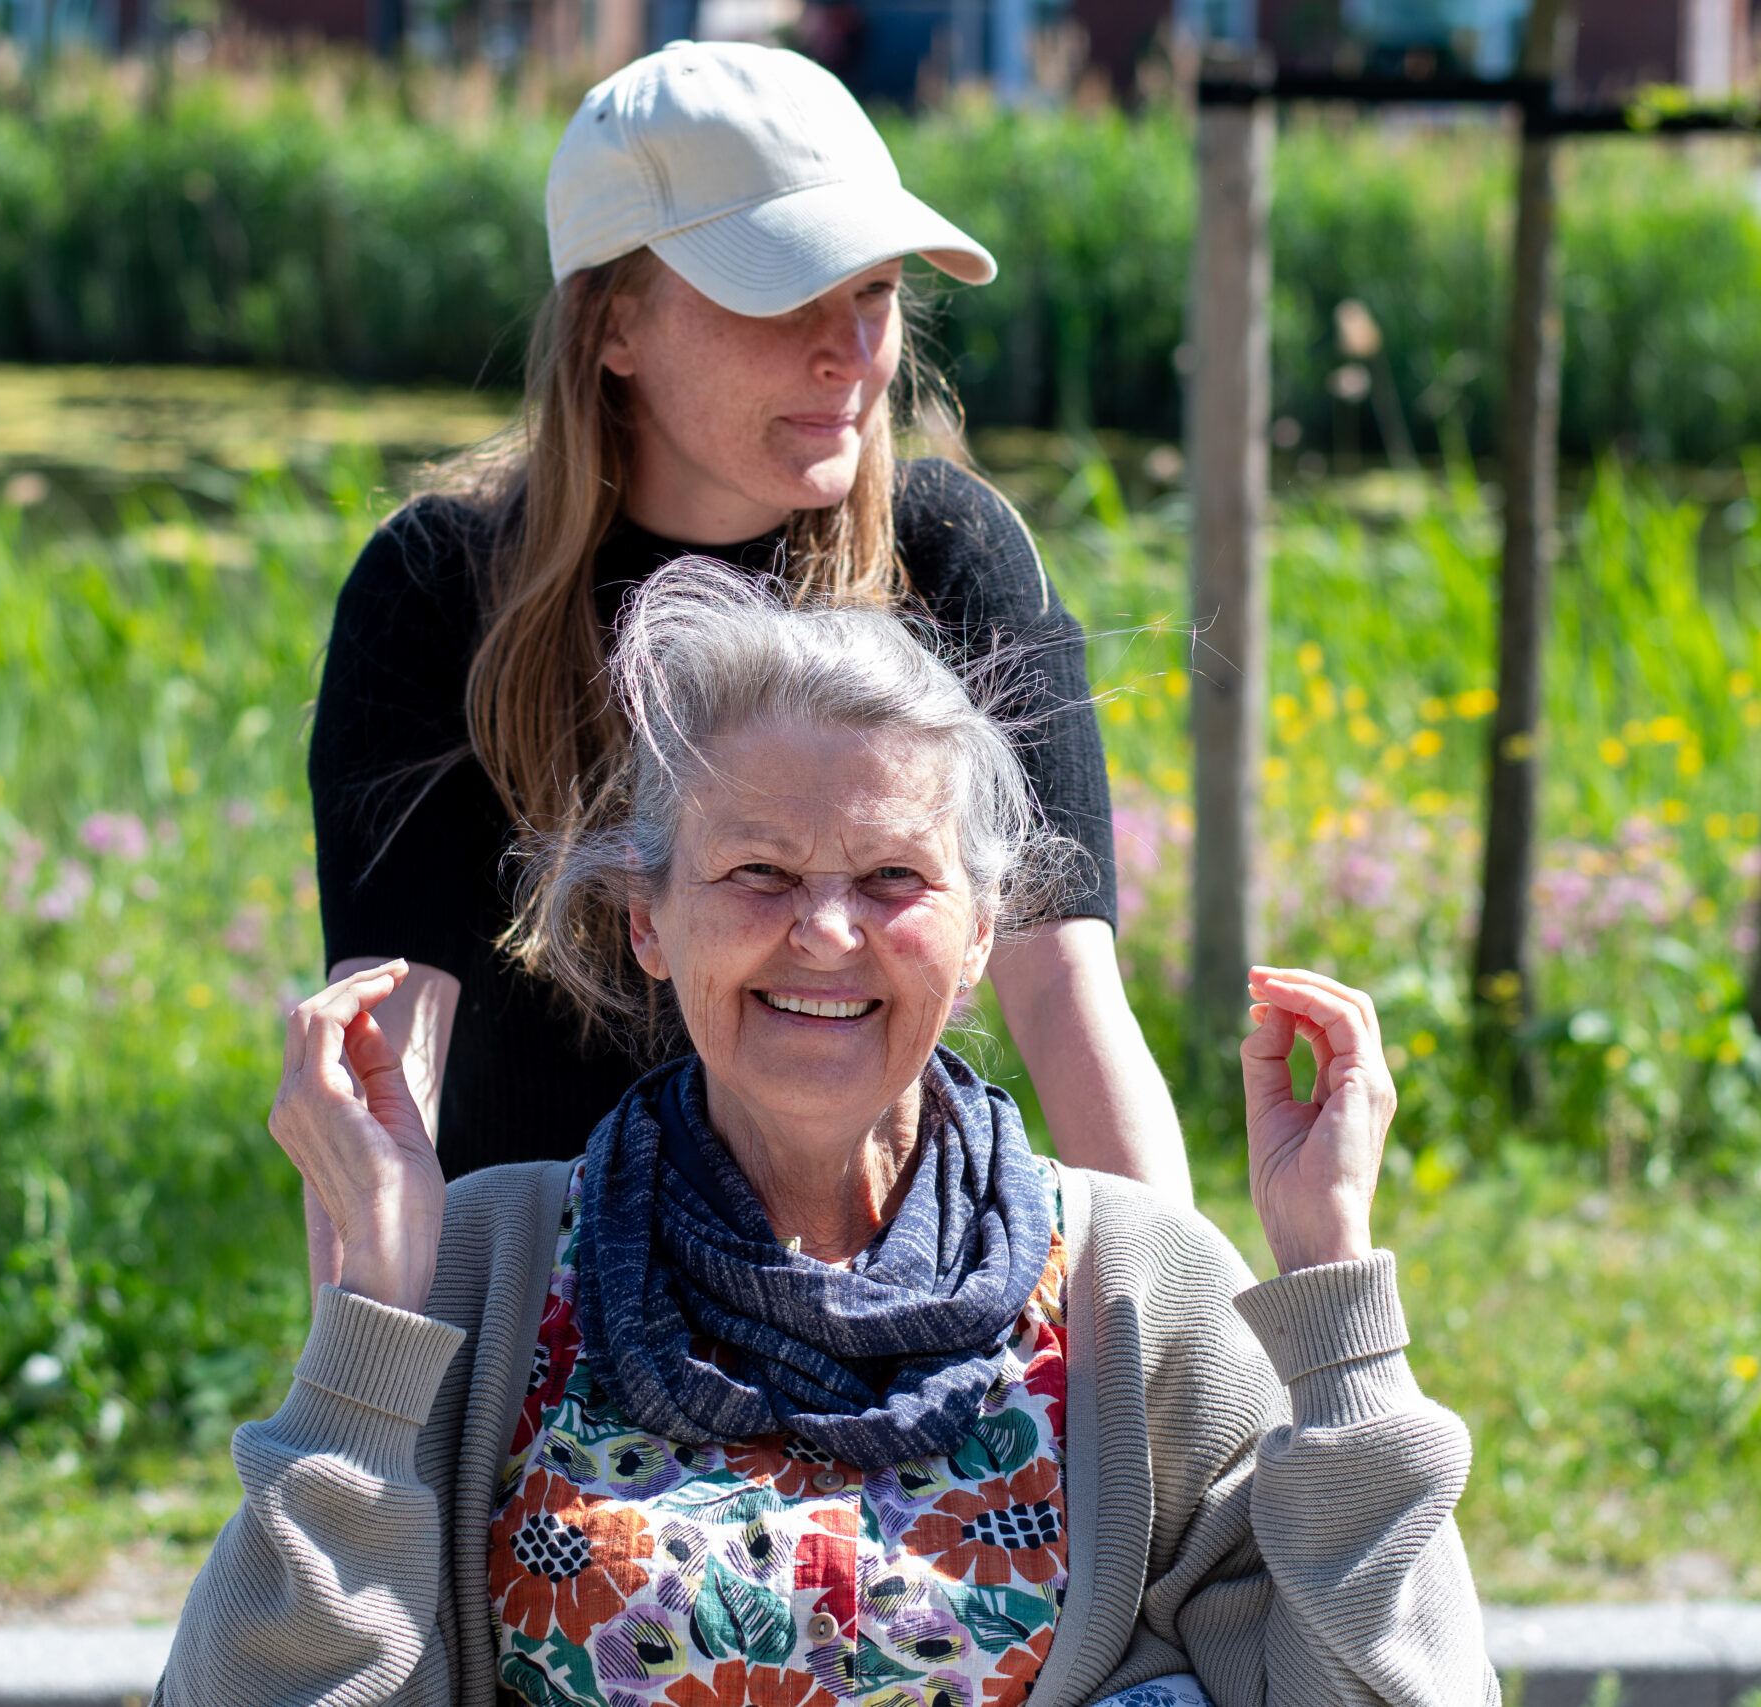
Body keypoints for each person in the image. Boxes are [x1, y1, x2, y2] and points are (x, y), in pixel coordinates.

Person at [157, 567, 1496, 1707]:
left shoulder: (1143, 1289)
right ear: (648, 921)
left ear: (980, 931)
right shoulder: (486, 1263)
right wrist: (371, 1320)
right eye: (759, 874)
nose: (829, 931)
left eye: (894, 877)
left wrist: (1330, 1294)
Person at [303, 39, 1187, 1296]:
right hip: (543, 1337)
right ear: (611, 323)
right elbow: (386, 1082)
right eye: (783, 298)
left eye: (874, 292)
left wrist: (1172, 1364)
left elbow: (1065, 1003)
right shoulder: (439, 593)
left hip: (891, 1325)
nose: (848, 353)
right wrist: (375, 1418)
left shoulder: (948, 554)